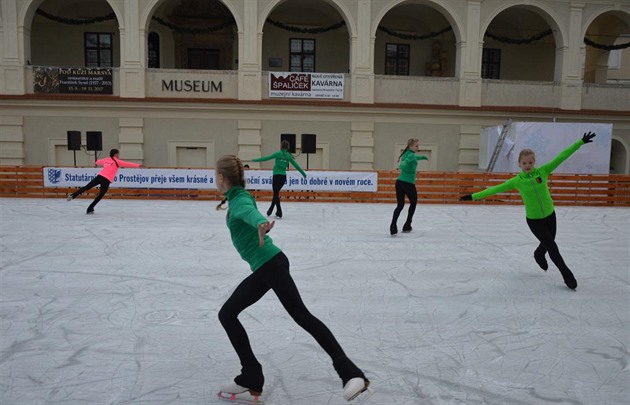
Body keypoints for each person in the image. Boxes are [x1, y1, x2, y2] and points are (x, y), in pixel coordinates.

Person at [214, 155, 370, 403]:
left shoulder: (240, 200)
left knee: (301, 315)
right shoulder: (236, 198)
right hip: (265, 267)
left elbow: (249, 214)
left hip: (271, 266)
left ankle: (352, 373)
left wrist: (262, 222)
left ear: (221, 178)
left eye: (215, 176)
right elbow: (245, 210)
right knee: (228, 314)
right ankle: (251, 375)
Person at [459, 132, 597, 290]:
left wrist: (580, 142)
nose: (528, 165)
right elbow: (494, 189)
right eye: (524, 163)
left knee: (548, 243)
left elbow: (562, 157)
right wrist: (473, 196)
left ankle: (538, 254)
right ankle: (567, 275)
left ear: (534, 162)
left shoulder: (543, 171)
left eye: (530, 162)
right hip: (534, 220)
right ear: (519, 164)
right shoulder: (516, 181)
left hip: (550, 216)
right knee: (552, 247)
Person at [67, 148, 141, 214]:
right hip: (106, 179)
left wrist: (96, 163)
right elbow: (127, 164)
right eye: (118, 154)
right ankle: (90, 208)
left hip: (100, 176)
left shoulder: (106, 159)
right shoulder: (117, 161)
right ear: (115, 154)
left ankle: (73, 195)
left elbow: (97, 162)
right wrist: (138, 166)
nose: (118, 155)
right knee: (100, 195)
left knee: (87, 187)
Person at [252, 140, 306, 218]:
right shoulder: (288, 156)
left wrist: (255, 160)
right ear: (288, 147)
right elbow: (296, 166)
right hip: (283, 177)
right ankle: (270, 210)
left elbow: (266, 158)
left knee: (276, 194)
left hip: (276, 176)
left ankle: (279, 211)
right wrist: (303, 173)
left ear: (281, 146)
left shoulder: (278, 154)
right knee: (276, 194)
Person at [390, 138, 429, 235]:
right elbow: (406, 162)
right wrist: (401, 167)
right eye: (416, 146)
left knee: (400, 205)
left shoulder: (407, 153)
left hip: (399, 182)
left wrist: (423, 157)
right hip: (407, 183)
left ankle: (393, 226)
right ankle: (407, 225)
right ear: (411, 146)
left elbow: (414, 158)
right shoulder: (410, 155)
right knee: (413, 202)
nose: (418, 147)